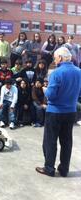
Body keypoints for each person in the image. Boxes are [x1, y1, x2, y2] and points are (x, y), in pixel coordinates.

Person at [36, 47, 81, 177]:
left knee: (50, 141)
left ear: (60, 58)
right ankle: (64, 169)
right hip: (71, 111)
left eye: (55, 58)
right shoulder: (79, 71)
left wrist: (45, 89)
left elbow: (51, 95)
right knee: (66, 141)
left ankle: (49, 168)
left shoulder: (56, 73)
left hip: (55, 111)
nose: (54, 60)